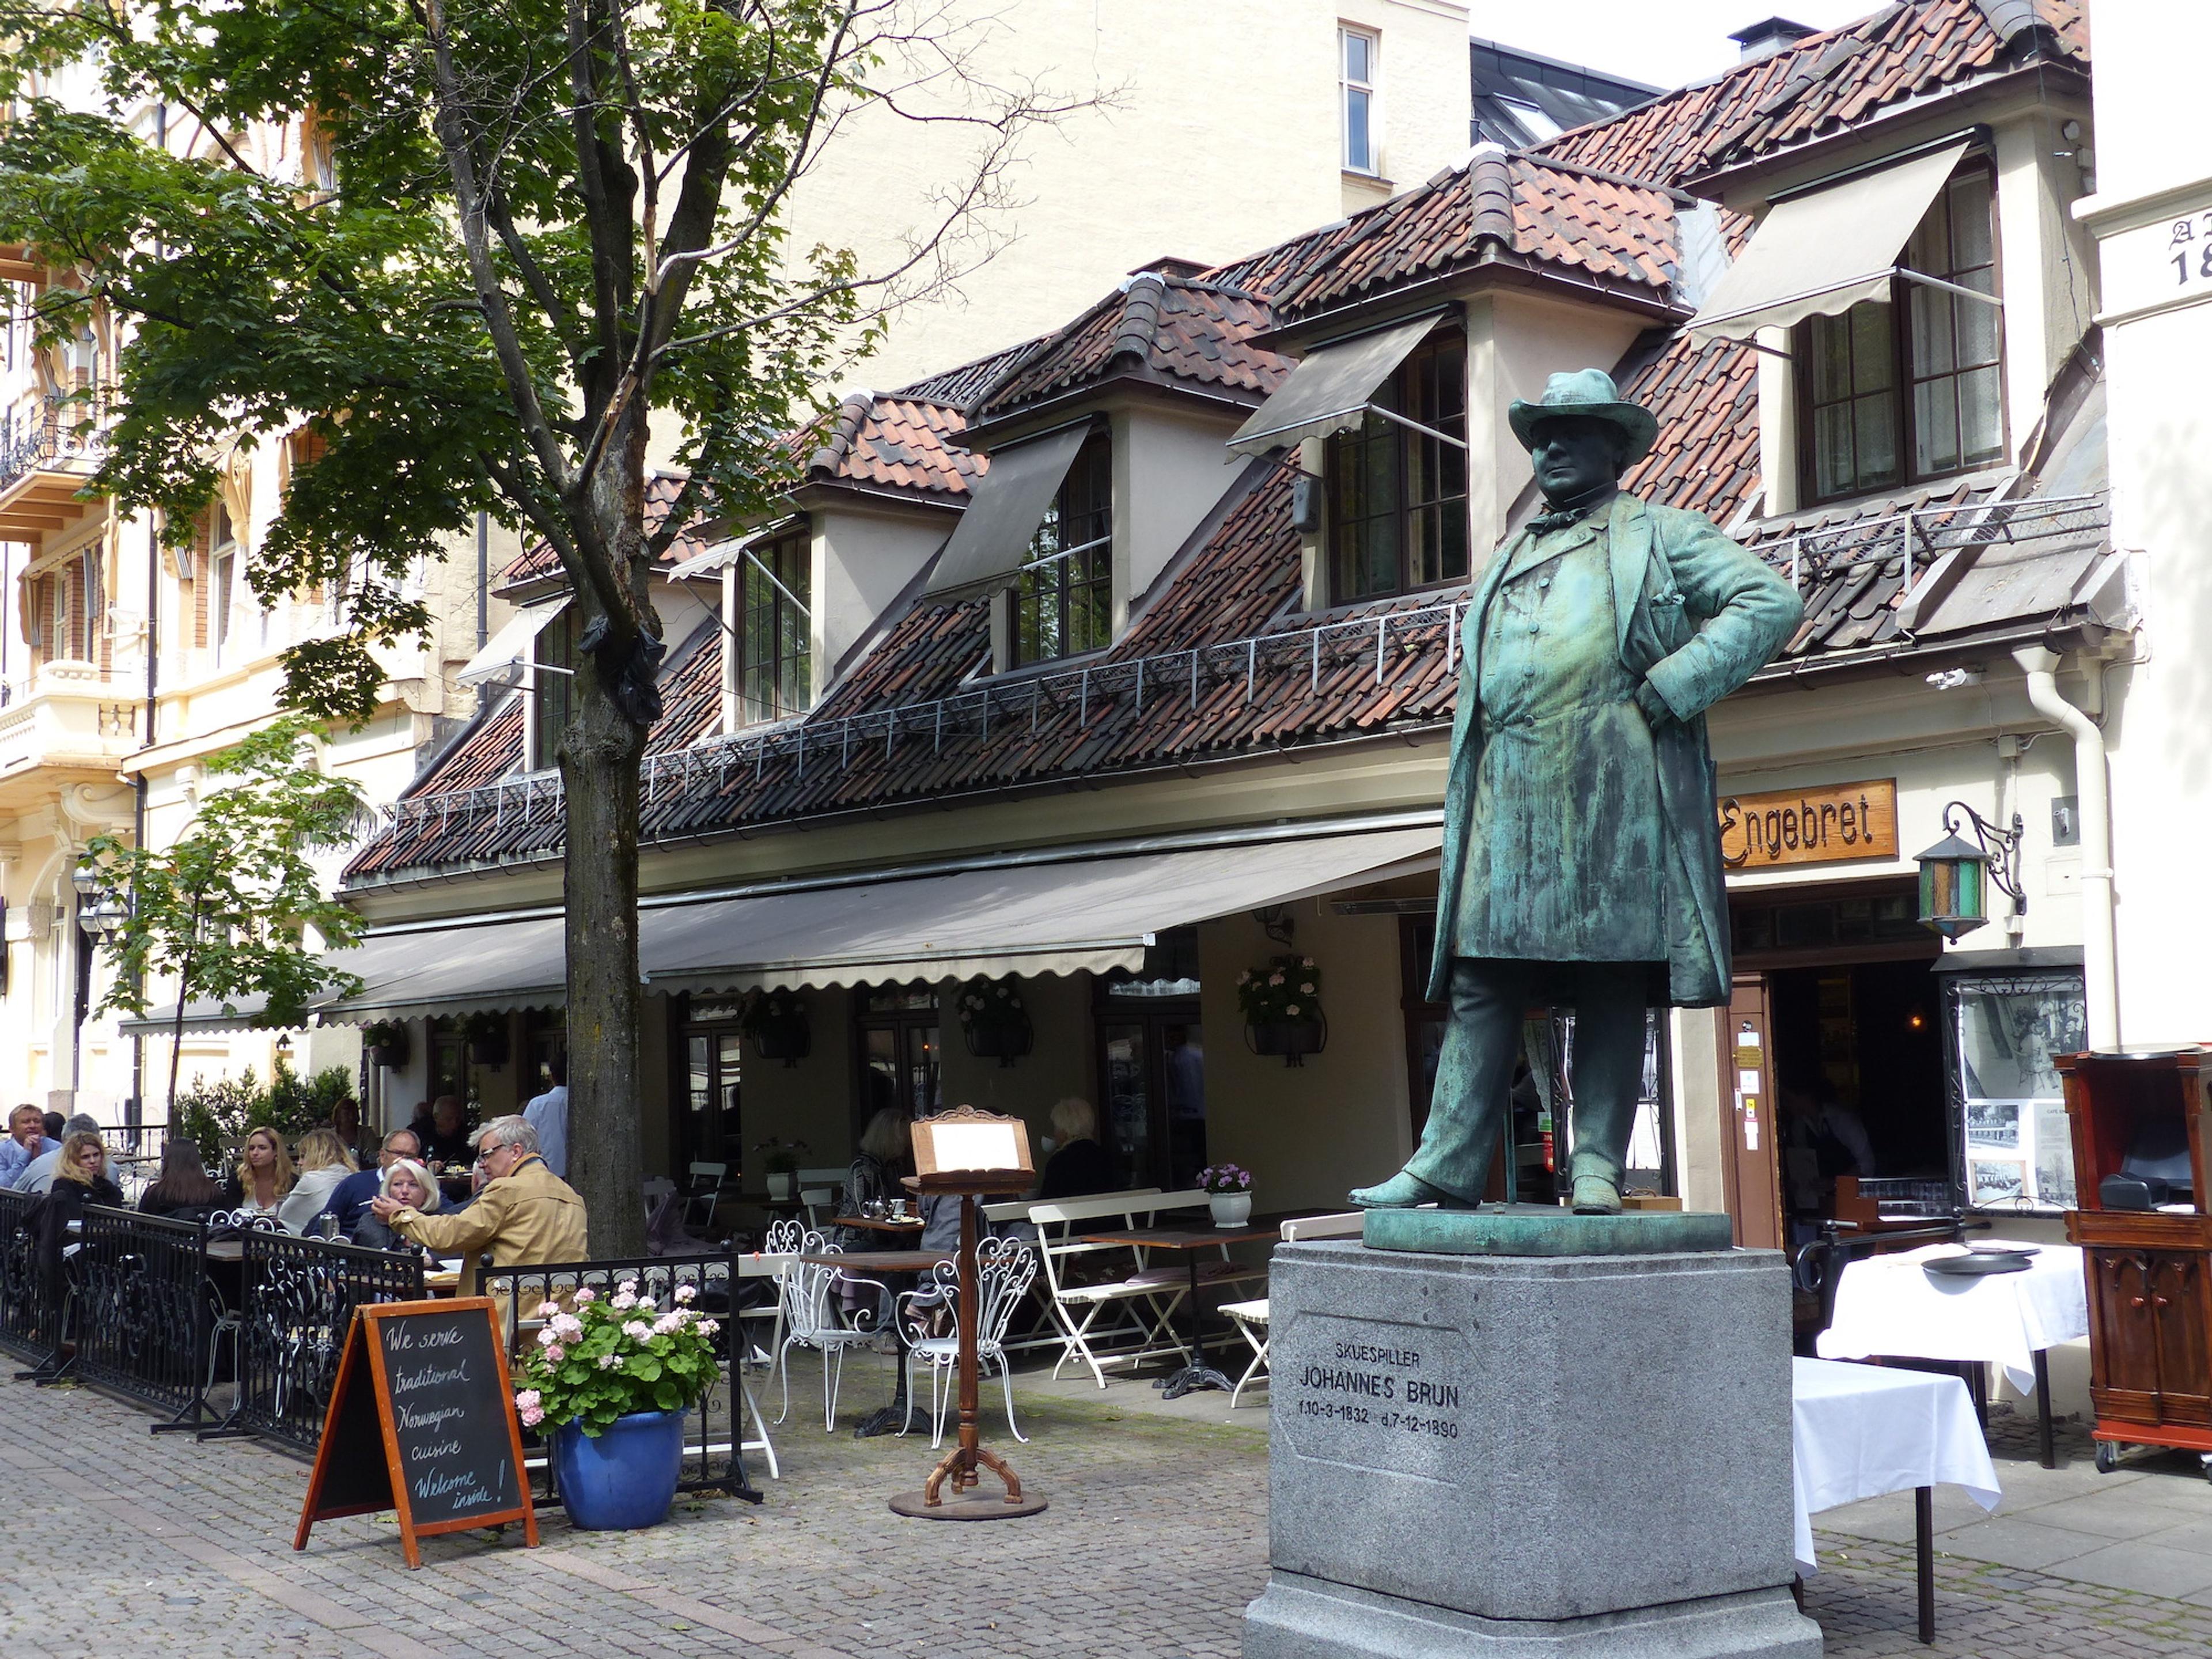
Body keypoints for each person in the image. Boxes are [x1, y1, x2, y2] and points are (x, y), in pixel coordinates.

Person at [1353, 369, 1800, 1217]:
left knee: (1610, 978)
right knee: (1483, 978)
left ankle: (1596, 1166)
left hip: (1614, 782)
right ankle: (1445, 1162)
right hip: (1509, 789)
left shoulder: (1661, 533)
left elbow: (1770, 600)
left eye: (1572, 432)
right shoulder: (1508, 555)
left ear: (1614, 446)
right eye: (1540, 435)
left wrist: (1680, 682)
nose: (1550, 448)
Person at [370, 1115, 585, 1298]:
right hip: (556, 1325)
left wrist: (400, 1215)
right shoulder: (571, 1195)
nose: (481, 1164)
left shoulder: (507, 1190)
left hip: (505, 1322)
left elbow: (450, 1235)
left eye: (486, 1154)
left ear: (516, 1151)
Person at [34, 1131, 124, 1313]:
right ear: (73, 1161)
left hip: (104, 1245)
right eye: (85, 1157)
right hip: (75, 1247)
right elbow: (75, 1219)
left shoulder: (108, 1187)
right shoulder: (64, 1185)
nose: (93, 1161)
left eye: (96, 1155)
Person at [312, 1128, 423, 1237]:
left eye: (410, 1157)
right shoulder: (354, 1183)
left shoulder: (425, 1186)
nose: (403, 1160)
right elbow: (322, 1228)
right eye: (398, 1153)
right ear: (383, 1156)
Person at [350, 1158, 442, 1251]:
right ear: (388, 1190)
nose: (405, 1191)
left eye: (413, 1185)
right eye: (398, 1184)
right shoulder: (370, 1222)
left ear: (427, 1192)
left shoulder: (438, 1222)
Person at [281, 1128, 359, 1233]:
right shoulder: (355, 1176)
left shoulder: (311, 1179)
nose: (299, 1162)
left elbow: (285, 1216)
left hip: (319, 1241)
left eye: (303, 1156)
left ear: (317, 1155)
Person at [1039, 1097, 1116, 1200]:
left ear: (1066, 1129)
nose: (1055, 1133)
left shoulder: (1060, 1162)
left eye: (1056, 1127)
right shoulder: (1106, 1157)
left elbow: (1046, 1202)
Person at [137, 1138, 225, 1221]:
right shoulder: (214, 1193)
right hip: (204, 1237)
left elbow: (139, 1229)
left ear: (167, 1162)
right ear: (197, 1162)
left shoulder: (155, 1194)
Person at [15, 1112, 101, 1193]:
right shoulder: (42, 1161)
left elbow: (13, 1194)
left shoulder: (42, 1163)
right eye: (25, 1122)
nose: (92, 1161)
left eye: (37, 1121)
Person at [222, 1125, 296, 1219]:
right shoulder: (238, 1179)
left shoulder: (291, 1180)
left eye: (262, 1148)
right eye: (251, 1148)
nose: (255, 1153)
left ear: (276, 1151)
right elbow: (230, 1217)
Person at [522, 1055, 569, 1179]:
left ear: (551, 1076)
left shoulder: (538, 1105)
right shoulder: (586, 1103)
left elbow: (523, 1139)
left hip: (547, 1174)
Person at [0, 1104, 60, 1188]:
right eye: (26, 1122)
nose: (32, 1126)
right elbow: (4, 1186)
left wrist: (39, 1160)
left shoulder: (56, 1148)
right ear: (12, 1129)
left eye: (37, 1121)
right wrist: (25, 1155)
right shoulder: (2, 1150)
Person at [413, 1096, 475, 1168]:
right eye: (449, 1119)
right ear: (436, 1117)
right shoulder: (419, 1133)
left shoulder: (466, 1135)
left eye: (457, 1119)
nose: (454, 1124)